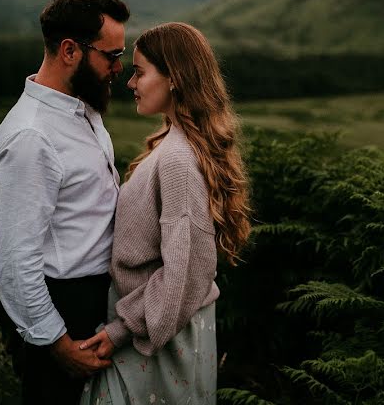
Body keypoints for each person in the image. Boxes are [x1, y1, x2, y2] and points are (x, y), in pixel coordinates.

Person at [77, 22, 252, 405]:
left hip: (156, 338)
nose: (130, 82)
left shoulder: (176, 160)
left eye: (140, 72)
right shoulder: (178, 145)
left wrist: (121, 330)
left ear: (174, 78)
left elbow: (188, 268)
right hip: (163, 327)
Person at [0, 0, 130, 404]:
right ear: (70, 50)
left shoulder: (81, 108)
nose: (118, 68)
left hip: (95, 299)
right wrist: (56, 341)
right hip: (63, 307)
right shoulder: (32, 137)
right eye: (111, 55)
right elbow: (16, 259)